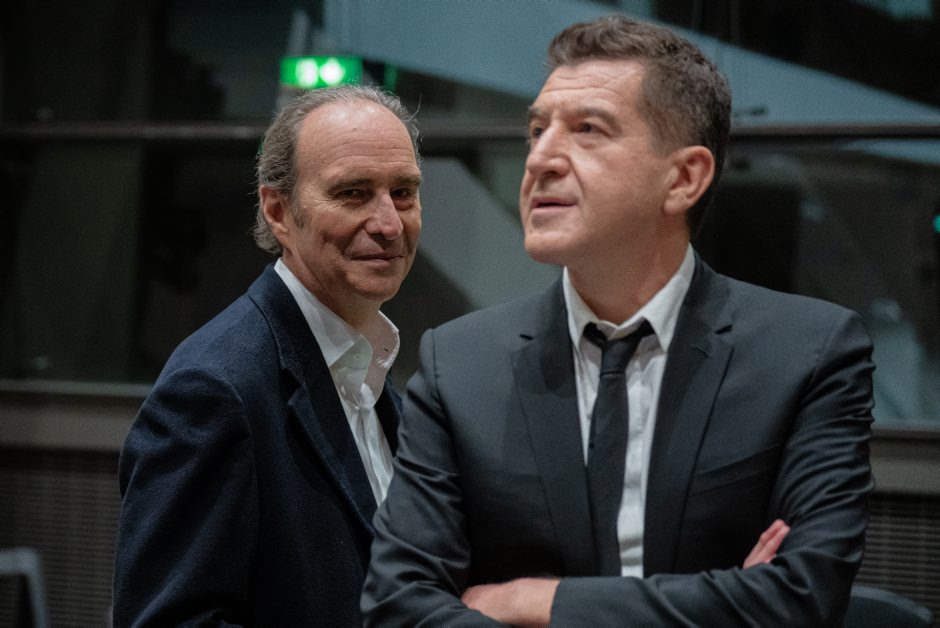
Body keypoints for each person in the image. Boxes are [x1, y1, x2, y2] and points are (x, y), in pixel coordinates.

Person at [362, 15, 874, 627]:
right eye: (537, 130)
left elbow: (800, 599)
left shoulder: (808, 353)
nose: (541, 159)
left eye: (588, 130)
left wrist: (531, 601)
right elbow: (399, 605)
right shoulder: (460, 364)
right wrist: (725, 601)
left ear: (684, 178)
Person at [112, 84, 422, 626]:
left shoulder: (370, 368)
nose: (389, 223)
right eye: (353, 193)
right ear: (278, 212)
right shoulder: (213, 388)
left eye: (403, 192)